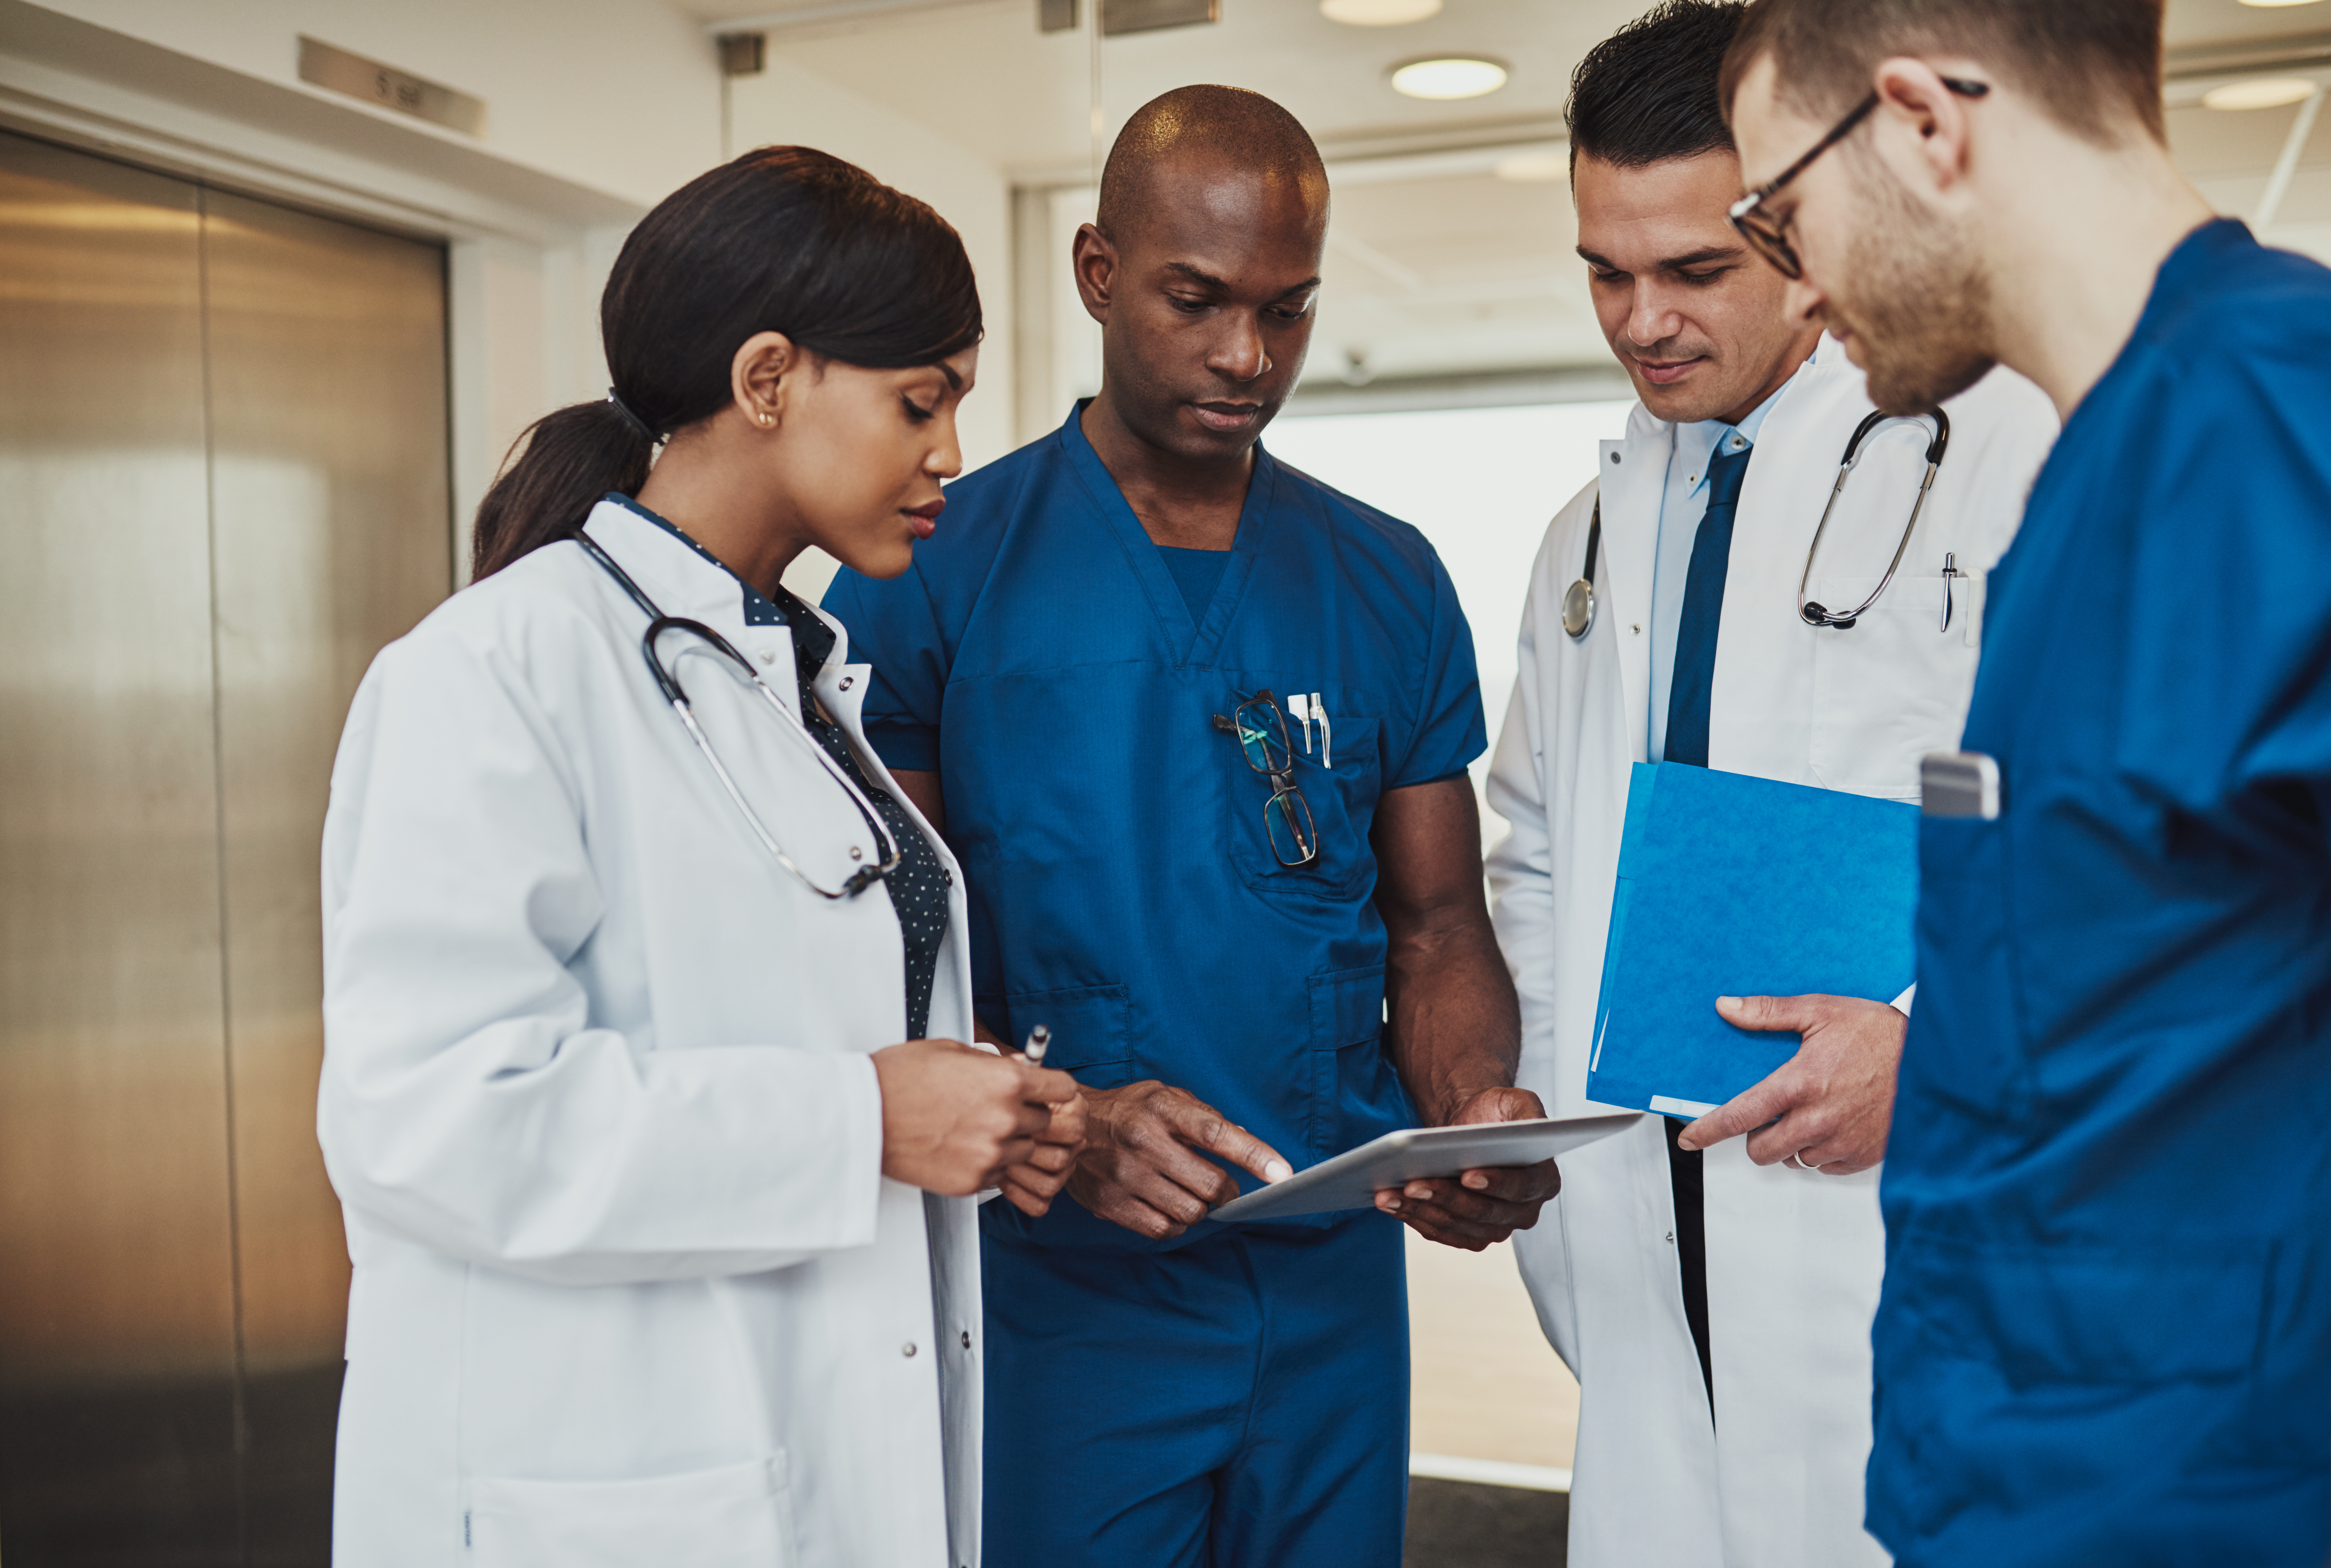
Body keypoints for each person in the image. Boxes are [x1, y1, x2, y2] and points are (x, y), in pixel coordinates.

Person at [317, 146, 1083, 1568]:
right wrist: (866, 1121)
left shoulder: (788, 679)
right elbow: (432, 1123)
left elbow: (781, 1018)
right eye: (922, 402)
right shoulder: (498, 670)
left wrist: (966, 1111)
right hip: (608, 1478)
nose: (951, 456)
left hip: (799, 1442)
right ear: (768, 378)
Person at [822, 84, 1555, 1568]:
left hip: (1332, 1283)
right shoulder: (936, 568)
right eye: (1197, 299)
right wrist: (1065, 1123)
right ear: (1099, 274)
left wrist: (1471, 1107)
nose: (1247, 356)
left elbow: (1435, 925)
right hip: (1058, 1279)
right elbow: (874, 962)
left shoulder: (1388, 578)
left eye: (1288, 309)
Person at [1719, 2, 2331, 1564]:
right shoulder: (2097, 469)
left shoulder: (2274, 409)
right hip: (2029, 1472)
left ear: (1921, 122)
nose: (1797, 287)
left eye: (1781, 216)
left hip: (2208, 1489)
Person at [1483, 6, 2056, 1565]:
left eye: (1694, 269)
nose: (1641, 320)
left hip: (1905, 1217)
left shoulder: (2003, 450)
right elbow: (1534, 856)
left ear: (1801, 231)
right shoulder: (1587, 535)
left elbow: (2134, 847)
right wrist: (1548, 1118)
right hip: (1648, 1240)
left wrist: (1932, 1045)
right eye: (1605, 272)